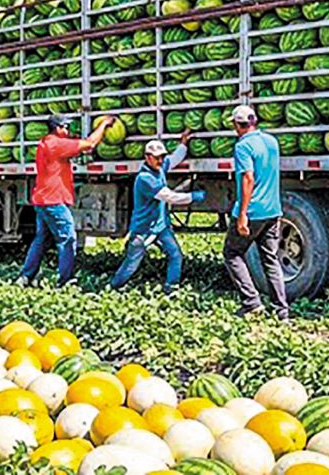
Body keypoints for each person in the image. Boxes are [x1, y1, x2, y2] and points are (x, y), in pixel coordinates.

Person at [17, 113, 115, 287]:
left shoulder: (45, 142)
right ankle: (65, 280)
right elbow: (90, 143)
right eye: (65, 127)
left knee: (41, 240)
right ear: (58, 128)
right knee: (67, 239)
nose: (68, 130)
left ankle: (26, 276)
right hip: (54, 201)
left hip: (42, 199)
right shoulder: (56, 144)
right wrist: (104, 124)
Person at [109, 133, 207, 293]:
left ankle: (171, 287)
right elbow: (169, 196)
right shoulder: (145, 178)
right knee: (132, 262)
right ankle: (115, 286)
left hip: (160, 227)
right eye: (157, 158)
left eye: (162, 157)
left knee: (175, 255)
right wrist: (193, 197)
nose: (160, 161)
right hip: (144, 229)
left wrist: (183, 143)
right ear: (147, 157)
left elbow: (174, 158)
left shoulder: (159, 168)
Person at [221, 105, 290, 320]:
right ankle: (282, 311)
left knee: (232, 254)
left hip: (253, 211)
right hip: (273, 210)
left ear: (236, 126)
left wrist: (242, 214)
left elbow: (248, 178)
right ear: (255, 121)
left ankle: (252, 303)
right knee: (270, 259)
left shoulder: (243, 146)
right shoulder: (272, 142)